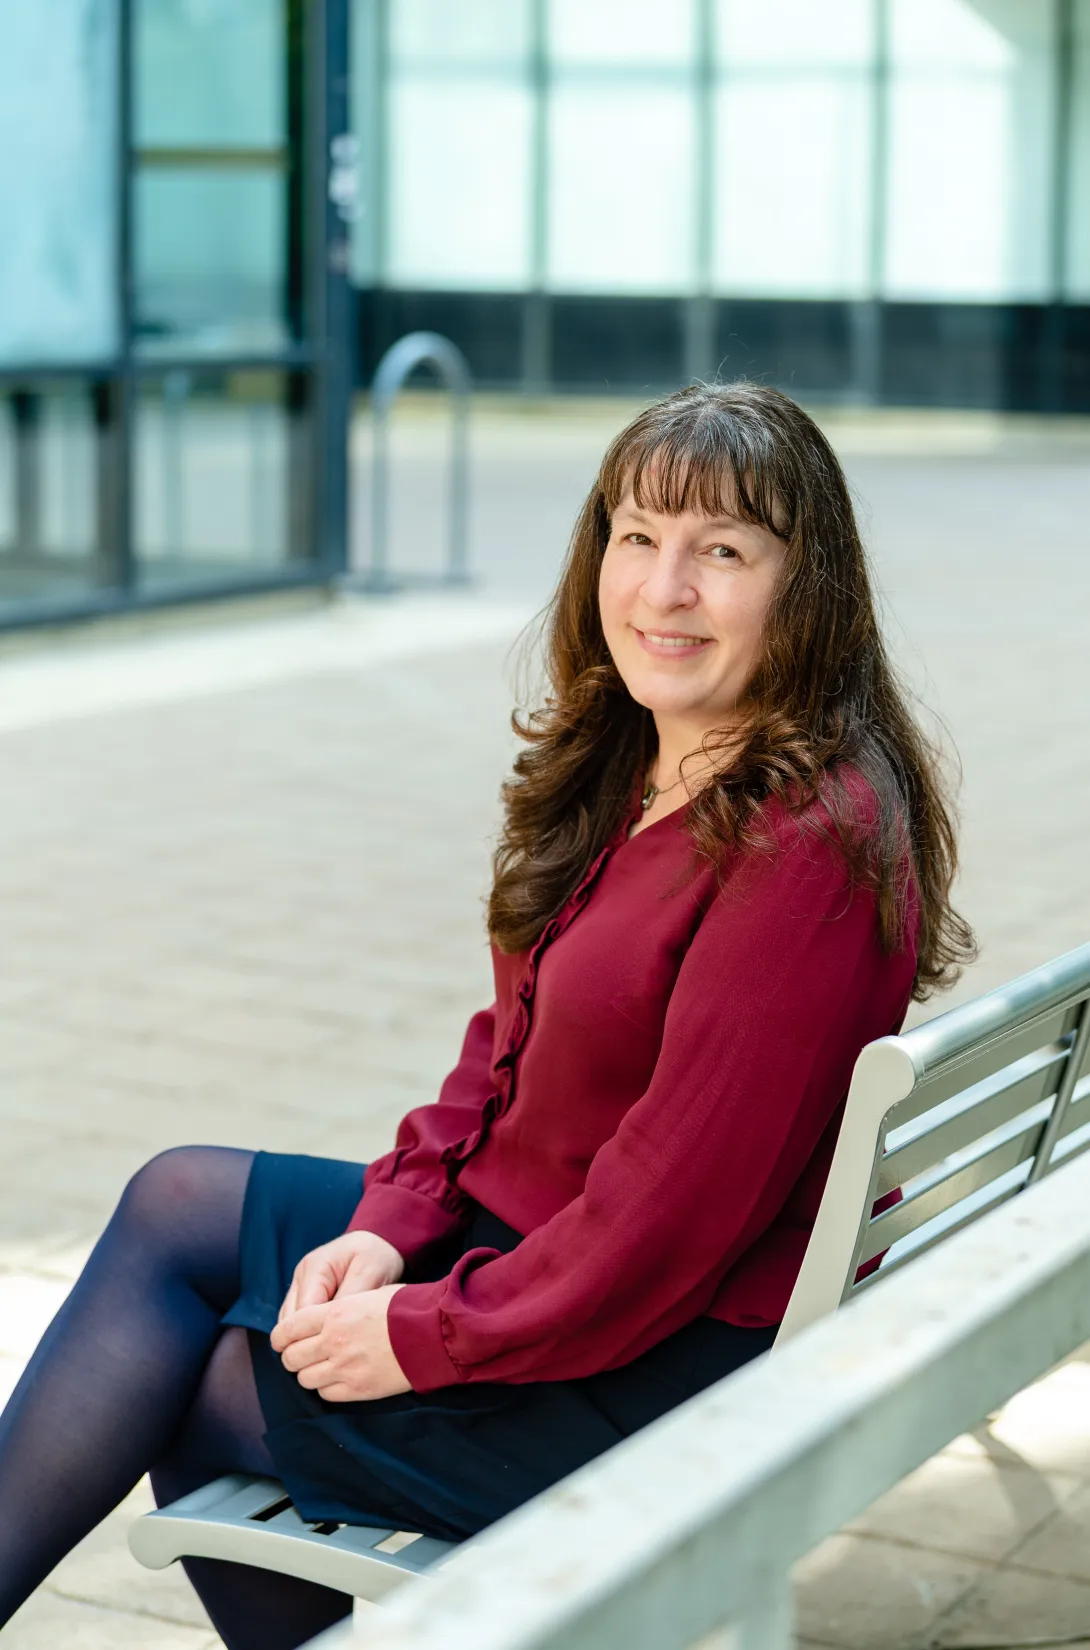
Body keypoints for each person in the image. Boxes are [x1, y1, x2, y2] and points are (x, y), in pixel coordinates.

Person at [0, 383, 974, 1649]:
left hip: (657, 1361)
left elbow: (663, 1222)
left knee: (203, 1383)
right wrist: (393, 1221)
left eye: (721, 552)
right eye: (636, 536)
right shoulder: (647, 752)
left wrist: (423, 1335)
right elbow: (505, 1044)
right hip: (544, 1240)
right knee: (177, 1199)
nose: (662, 589)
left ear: (806, 588)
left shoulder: (805, 850)